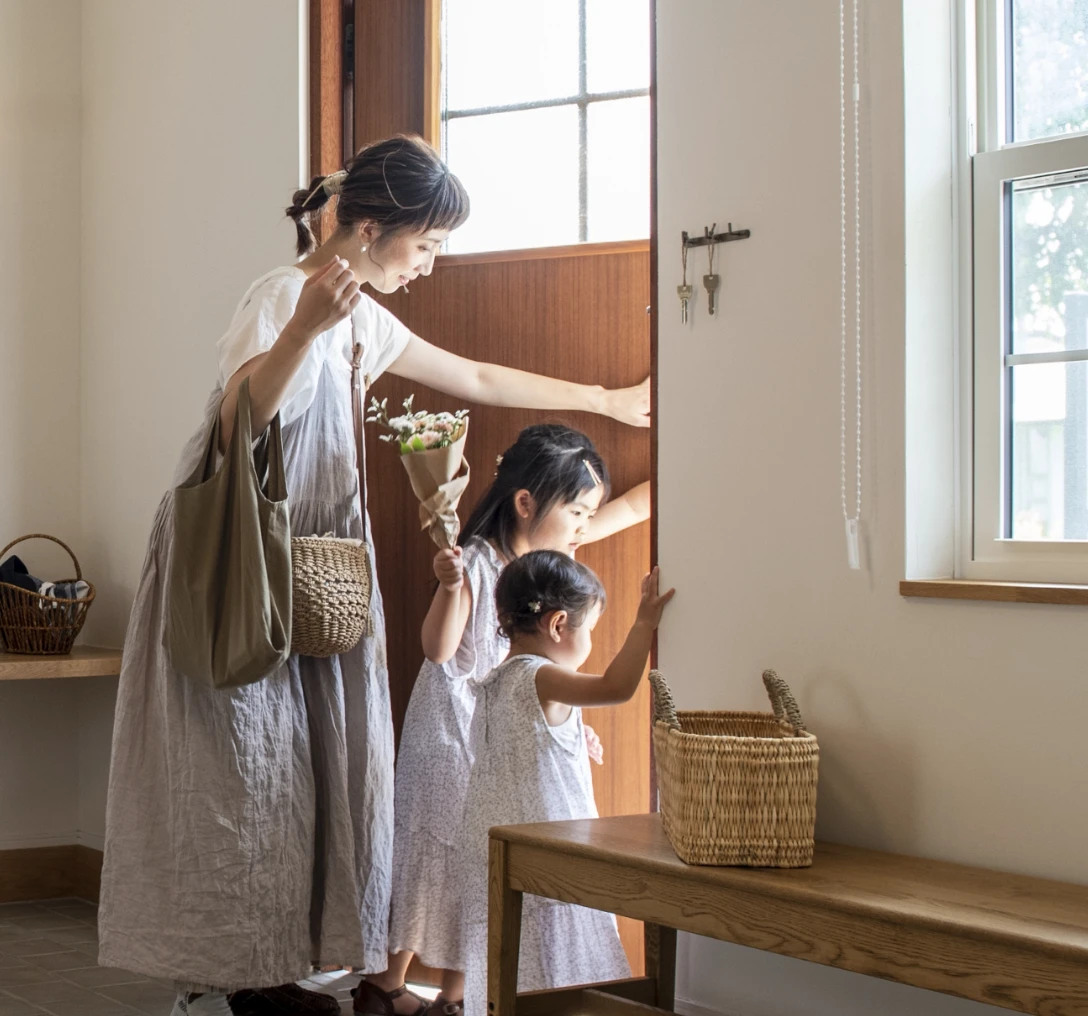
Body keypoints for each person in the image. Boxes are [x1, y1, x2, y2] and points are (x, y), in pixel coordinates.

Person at [96, 134, 650, 1016]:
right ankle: (247, 973)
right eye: (425, 245)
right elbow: (242, 413)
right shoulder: (286, 294)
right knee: (250, 768)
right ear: (368, 227)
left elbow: (469, 373)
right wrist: (308, 326)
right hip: (249, 564)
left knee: (312, 768)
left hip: (313, 572)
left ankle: (294, 965)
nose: (429, 265)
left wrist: (604, 401)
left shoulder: (365, 315)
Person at [358, 425, 650, 1015]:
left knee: (480, 863)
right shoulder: (480, 564)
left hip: (498, 739)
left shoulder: (544, 573)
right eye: (576, 513)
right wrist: (448, 586)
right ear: (526, 504)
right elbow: (438, 650)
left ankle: (455, 997)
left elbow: (630, 508)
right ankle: (386, 986)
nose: (583, 528)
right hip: (451, 737)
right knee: (439, 859)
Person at [454, 552, 674, 1016]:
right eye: (590, 628)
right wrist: (643, 624)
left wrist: (576, 733)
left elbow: (520, 744)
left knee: (515, 960)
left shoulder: (494, 682)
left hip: (493, 848)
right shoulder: (544, 677)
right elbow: (616, 687)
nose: (591, 640)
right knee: (560, 956)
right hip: (545, 849)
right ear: (558, 626)